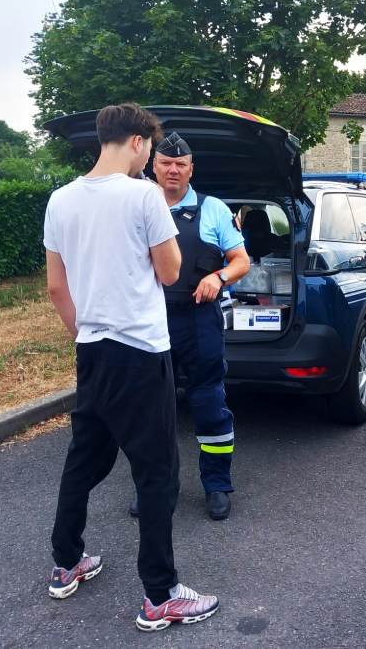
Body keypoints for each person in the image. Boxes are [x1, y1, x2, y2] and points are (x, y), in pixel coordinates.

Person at [43, 104, 218, 631]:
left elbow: (56, 286)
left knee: (85, 459)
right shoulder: (143, 195)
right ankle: (161, 594)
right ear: (140, 143)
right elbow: (170, 273)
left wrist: (85, 330)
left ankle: (66, 562)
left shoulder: (61, 198)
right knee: (156, 470)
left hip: (92, 350)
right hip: (140, 352)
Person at [128, 132, 250, 521]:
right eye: (166, 163)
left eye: (181, 164)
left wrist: (219, 277)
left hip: (199, 320)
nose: (173, 170)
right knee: (149, 409)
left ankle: (217, 485)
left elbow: (241, 260)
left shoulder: (213, 209)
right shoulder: (137, 206)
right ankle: (155, 489)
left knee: (209, 403)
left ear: (191, 169)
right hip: (150, 320)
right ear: (154, 166)